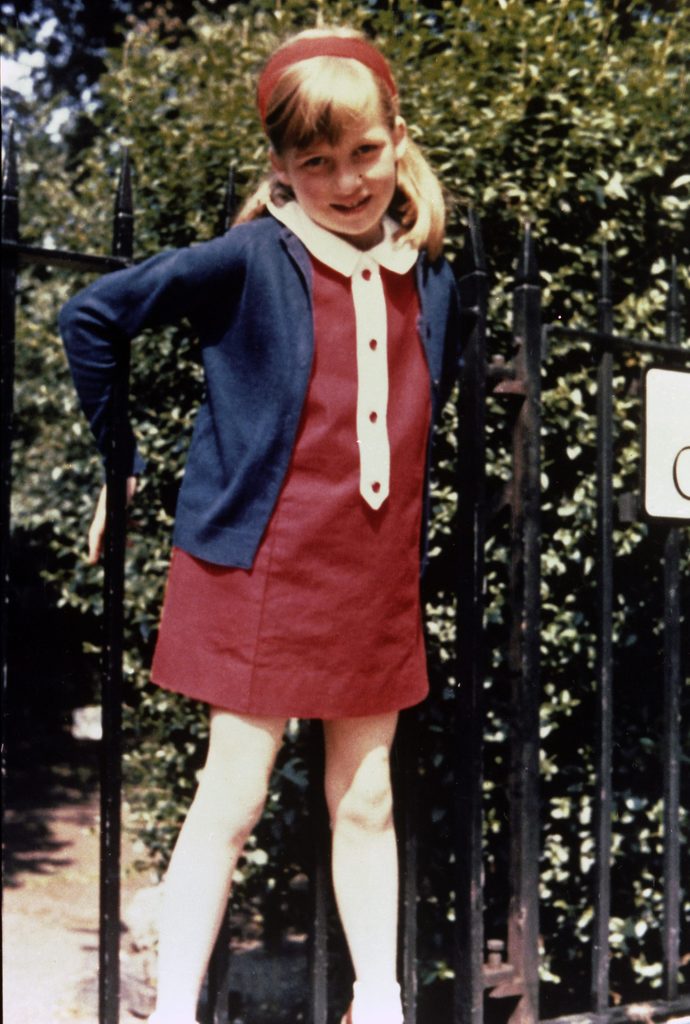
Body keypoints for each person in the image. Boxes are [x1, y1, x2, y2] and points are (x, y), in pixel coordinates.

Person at [59, 24, 462, 1024]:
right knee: (230, 803)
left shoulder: (435, 277)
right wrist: (123, 464)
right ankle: (175, 1010)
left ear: (397, 138)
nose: (347, 179)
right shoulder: (251, 257)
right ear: (280, 165)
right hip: (260, 567)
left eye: (364, 151)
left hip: (369, 571)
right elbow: (93, 317)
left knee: (366, 799)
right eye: (316, 161)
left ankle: (377, 1003)